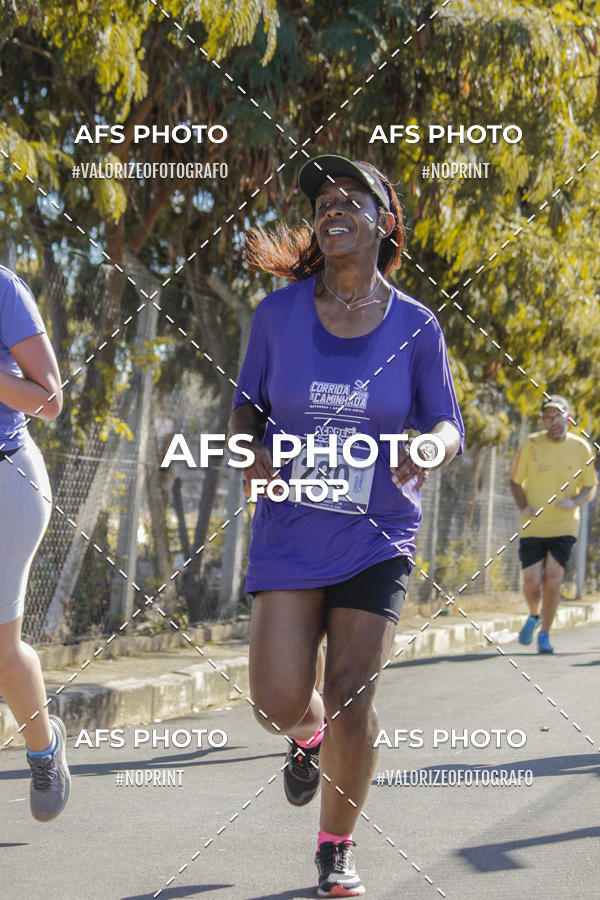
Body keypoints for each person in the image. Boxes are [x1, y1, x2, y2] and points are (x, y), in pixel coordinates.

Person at [228, 154, 464, 897]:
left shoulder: (417, 327)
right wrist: (250, 449)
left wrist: (428, 447)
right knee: (274, 700)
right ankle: (307, 735)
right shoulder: (278, 316)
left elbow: (449, 426)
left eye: (350, 200)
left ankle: (335, 847)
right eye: (323, 202)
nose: (331, 209)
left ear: (383, 223)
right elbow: (244, 408)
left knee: (356, 687)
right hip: (292, 528)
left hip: (377, 531)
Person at [0, 264, 70, 820]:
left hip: (8, 484)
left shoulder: (3, 289)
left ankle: (43, 750)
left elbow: (49, 400)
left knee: (1, 652)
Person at [510, 395, 597, 654]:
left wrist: (576, 502)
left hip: (564, 525)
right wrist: (523, 506)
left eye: (558, 415)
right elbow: (515, 481)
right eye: (548, 417)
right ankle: (534, 615)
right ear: (543, 421)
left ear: (568, 417)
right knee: (531, 581)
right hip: (533, 525)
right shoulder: (531, 444)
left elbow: (590, 486)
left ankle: (545, 634)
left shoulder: (582, 448)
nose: (553, 421)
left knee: (554, 578)